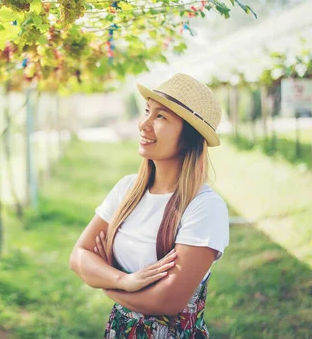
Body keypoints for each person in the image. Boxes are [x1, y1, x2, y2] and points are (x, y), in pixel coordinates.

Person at [69, 73, 230, 338]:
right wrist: (125, 281)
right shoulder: (127, 189)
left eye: (161, 117)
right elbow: (79, 256)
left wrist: (105, 284)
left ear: (189, 136)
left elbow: (168, 301)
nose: (144, 124)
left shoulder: (204, 208)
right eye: (147, 111)